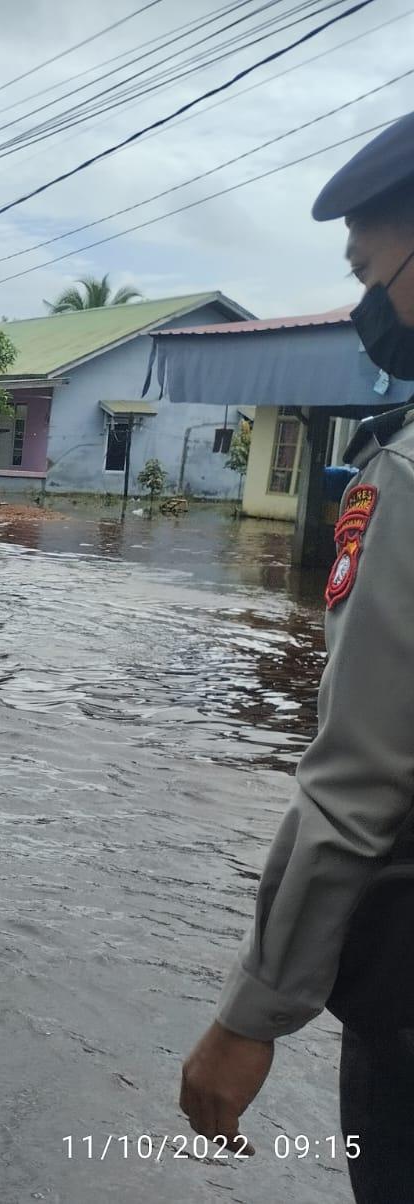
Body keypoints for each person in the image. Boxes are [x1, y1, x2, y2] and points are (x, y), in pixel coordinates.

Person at [180, 110, 414, 1201]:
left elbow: (362, 779)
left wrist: (251, 1013)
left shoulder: (405, 476)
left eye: (371, 268)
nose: (370, 302)